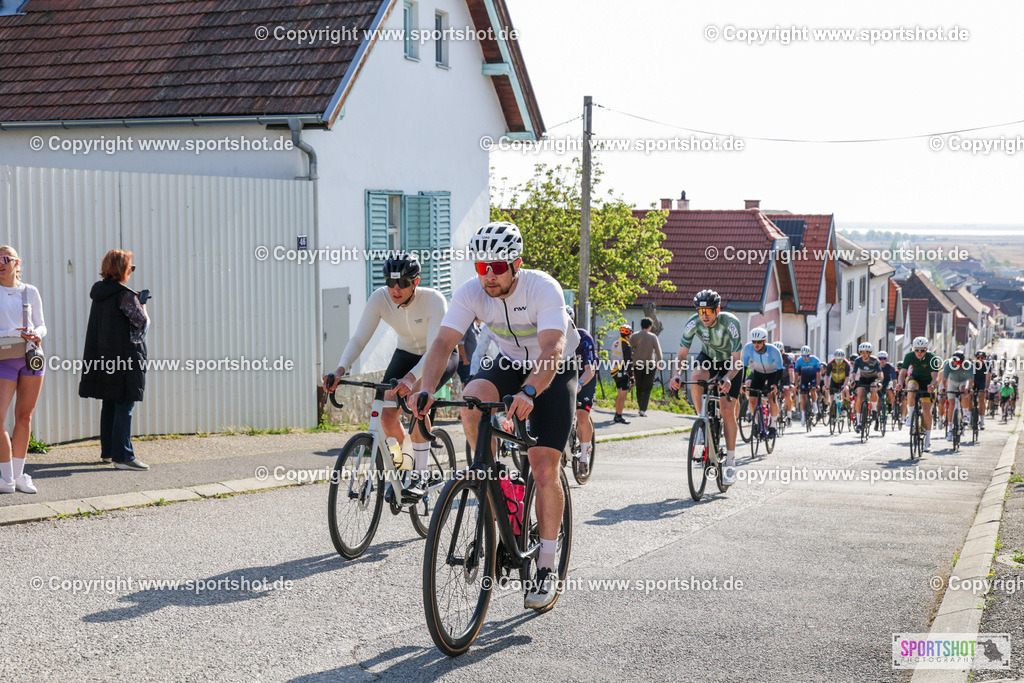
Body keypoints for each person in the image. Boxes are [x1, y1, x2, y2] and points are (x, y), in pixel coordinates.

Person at [409, 221, 579, 610]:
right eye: (481, 267)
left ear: (516, 264)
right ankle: (492, 473)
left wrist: (531, 391)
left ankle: (547, 566)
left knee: (542, 467)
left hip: (553, 368)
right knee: (472, 399)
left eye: (498, 267)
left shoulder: (542, 288)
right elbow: (442, 343)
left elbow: (552, 347)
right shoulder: (472, 292)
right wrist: (425, 389)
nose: (489, 276)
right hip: (508, 361)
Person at [324, 252, 457, 496]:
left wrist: (411, 379)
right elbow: (359, 339)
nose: (395, 289)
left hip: (439, 355)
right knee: (386, 415)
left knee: (418, 401)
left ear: (415, 282)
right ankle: (404, 465)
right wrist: (340, 369)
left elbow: (434, 350)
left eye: (403, 283)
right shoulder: (379, 299)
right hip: (406, 353)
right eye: (390, 282)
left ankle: (420, 475)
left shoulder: (434, 300)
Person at [79, 249, 150, 470]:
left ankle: (109, 452)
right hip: (126, 358)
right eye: (131, 266)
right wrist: (143, 306)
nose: (132, 270)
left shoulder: (100, 293)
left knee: (109, 402)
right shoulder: (125, 295)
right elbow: (141, 324)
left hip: (104, 358)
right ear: (122, 269)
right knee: (124, 404)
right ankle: (123, 456)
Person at [669, 289, 743, 486]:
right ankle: (702, 420)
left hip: (730, 364)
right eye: (701, 312)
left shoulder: (730, 323)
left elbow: (737, 360)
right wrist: (676, 374)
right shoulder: (693, 322)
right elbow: (681, 355)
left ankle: (730, 463)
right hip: (709, 358)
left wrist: (727, 378)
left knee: (727, 412)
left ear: (717, 310)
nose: (704, 316)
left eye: (708, 311)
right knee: (696, 375)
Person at [0, 246, 46, 494]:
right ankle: (6, 478)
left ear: (16, 262)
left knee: (24, 417)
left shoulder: (30, 291)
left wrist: (36, 334)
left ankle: (19, 476)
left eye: (5, 259)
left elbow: (42, 324)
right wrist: (10, 334)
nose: (1, 264)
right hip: (3, 358)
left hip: (31, 356)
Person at [568, 306, 597, 475]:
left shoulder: (584, 337)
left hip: (585, 377)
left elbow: (590, 370)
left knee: (582, 416)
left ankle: (584, 457)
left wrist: (578, 384)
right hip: (566, 377)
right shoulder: (552, 337)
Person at [899, 336, 940, 452]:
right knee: (911, 387)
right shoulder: (909, 356)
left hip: (928, 383)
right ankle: (911, 415)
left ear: (926, 350)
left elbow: (935, 377)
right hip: (916, 379)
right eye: (917, 350)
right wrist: (899, 384)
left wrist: (932, 385)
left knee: (927, 410)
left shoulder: (931, 357)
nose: (919, 352)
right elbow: (903, 373)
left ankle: (927, 441)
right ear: (913, 349)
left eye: (922, 350)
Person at [741, 327, 783, 437]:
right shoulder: (747, 348)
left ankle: (773, 425)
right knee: (752, 400)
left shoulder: (774, 350)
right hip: (758, 374)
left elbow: (780, 369)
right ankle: (756, 424)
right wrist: (742, 383)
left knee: (771, 397)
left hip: (773, 374)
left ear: (764, 341)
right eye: (754, 342)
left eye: (759, 342)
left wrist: (775, 384)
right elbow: (744, 367)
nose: (756, 344)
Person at [629, 318, 663, 417]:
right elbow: (658, 351)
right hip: (650, 365)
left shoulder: (634, 336)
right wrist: (660, 363)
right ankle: (643, 409)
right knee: (647, 387)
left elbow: (629, 350)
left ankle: (640, 407)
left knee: (639, 386)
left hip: (637, 365)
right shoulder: (653, 337)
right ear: (650, 326)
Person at [940, 350, 973, 442]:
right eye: (956, 362)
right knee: (951, 405)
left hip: (963, 381)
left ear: (964, 360)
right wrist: (943, 387)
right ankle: (950, 430)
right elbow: (943, 380)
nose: (958, 364)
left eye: (960, 362)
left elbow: (970, 381)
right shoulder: (948, 365)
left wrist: (968, 388)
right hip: (952, 382)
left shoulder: (969, 365)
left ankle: (965, 415)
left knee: (964, 390)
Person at [850, 342, 881, 434]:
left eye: (866, 352)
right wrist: (852, 380)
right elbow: (854, 373)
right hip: (863, 379)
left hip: (873, 378)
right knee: (859, 398)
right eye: (861, 352)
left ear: (870, 353)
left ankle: (874, 410)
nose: (863, 354)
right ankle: (859, 423)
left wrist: (879, 381)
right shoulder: (858, 360)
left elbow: (880, 373)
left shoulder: (875, 360)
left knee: (873, 389)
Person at [609, 323, 634, 424]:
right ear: (628, 334)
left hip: (615, 372)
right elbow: (629, 361)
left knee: (619, 394)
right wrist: (631, 376)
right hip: (623, 372)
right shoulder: (626, 346)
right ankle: (619, 416)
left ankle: (617, 414)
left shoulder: (616, 343)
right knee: (623, 395)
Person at [794, 345, 822, 426]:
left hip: (813, 377)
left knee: (813, 390)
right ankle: (803, 415)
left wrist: (818, 384)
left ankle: (814, 404)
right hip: (804, 378)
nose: (805, 358)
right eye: (803, 356)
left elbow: (818, 374)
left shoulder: (815, 360)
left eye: (807, 356)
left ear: (810, 354)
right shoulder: (798, 361)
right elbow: (796, 374)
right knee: (803, 396)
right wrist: (796, 384)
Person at [823, 349, 851, 416]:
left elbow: (847, 376)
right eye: (837, 360)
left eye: (840, 360)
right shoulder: (831, 363)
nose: (839, 362)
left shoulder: (846, 364)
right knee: (832, 398)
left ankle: (844, 408)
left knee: (846, 390)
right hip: (834, 381)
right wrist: (826, 385)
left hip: (843, 381)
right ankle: (832, 413)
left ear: (843, 359)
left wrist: (844, 385)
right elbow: (826, 376)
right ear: (834, 359)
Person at [456, 319, 480, 386]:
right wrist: (465, 360)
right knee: (468, 385)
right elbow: (460, 344)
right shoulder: (465, 325)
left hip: (474, 362)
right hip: (466, 363)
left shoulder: (474, 325)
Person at [971, 351, 991, 429]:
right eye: (978, 357)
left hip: (983, 382)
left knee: (981, 397)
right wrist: (970, 388)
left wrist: (986, 388)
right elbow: (970, 376)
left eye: (982, 358)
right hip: (974, 381)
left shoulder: (987, 365)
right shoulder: (973, 364)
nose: (980, 359)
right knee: (969, 396)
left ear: (985, 358)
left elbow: (988, 378)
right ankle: (969, 416)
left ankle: (982, 421)